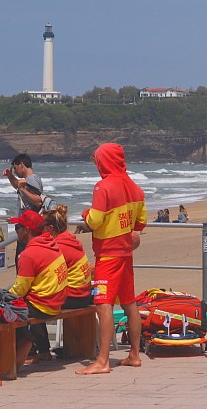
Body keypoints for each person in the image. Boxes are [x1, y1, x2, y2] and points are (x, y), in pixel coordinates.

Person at [76, 143, 147, 375]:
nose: (96, 164)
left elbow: (94, 221)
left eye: (97, 160)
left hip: (107, 255)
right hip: (126, 255)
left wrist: (85, 214)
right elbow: (140, 223)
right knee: (129, 303)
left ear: (103, 161)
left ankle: (102, 361)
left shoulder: (103, 187)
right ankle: (134, 354)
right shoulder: (135, 188)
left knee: (103, 304)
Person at [8, 209, 68, 368]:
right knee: (18, 305)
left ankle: (21, 351)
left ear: (26, 230)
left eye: (17, 228)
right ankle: (34, 348)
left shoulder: (29, 254)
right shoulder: (52, 245)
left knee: (2, 312)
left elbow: (20, 289)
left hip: (43, 305)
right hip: (57, 303)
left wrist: (3, 298)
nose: (17, 232)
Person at [45, 204, 93, 309]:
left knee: (33, 302)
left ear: (50, 228)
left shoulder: (58, 246)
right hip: (84, 294)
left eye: (41, 226)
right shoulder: (70, 240)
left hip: (73, 297)